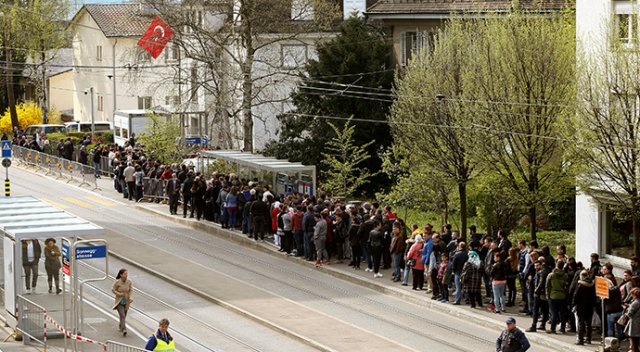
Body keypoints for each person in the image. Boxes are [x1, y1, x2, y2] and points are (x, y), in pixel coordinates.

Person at [572, 269, 596, 345]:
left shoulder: (580, 285)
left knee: (581, 323)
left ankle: (580, 339)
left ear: (581, 276)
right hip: (590, 307)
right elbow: (594, 296)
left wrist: (574, 304)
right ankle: (588, 339)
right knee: (589, 324)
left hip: (581, 307)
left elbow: (576, 296)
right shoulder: (592, 285)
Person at [112, 268, 133, 336]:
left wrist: (131, 297)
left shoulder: (129, 282)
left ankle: (121, 325)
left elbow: (131, 290)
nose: (126, 275)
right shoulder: (117, 282)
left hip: (126, 301)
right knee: (122, 315)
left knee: (124, 315)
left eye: (127, 274)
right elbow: (113, 290)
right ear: (121, 275)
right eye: (125, 274)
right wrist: (119, 294)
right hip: (119, 301)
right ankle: (124, 329)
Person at [625, 288, 640, 352]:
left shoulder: (635, 303)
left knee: (635, 343)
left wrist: (627, 309)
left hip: (635, 324)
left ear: (634, 295)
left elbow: (629, 314)